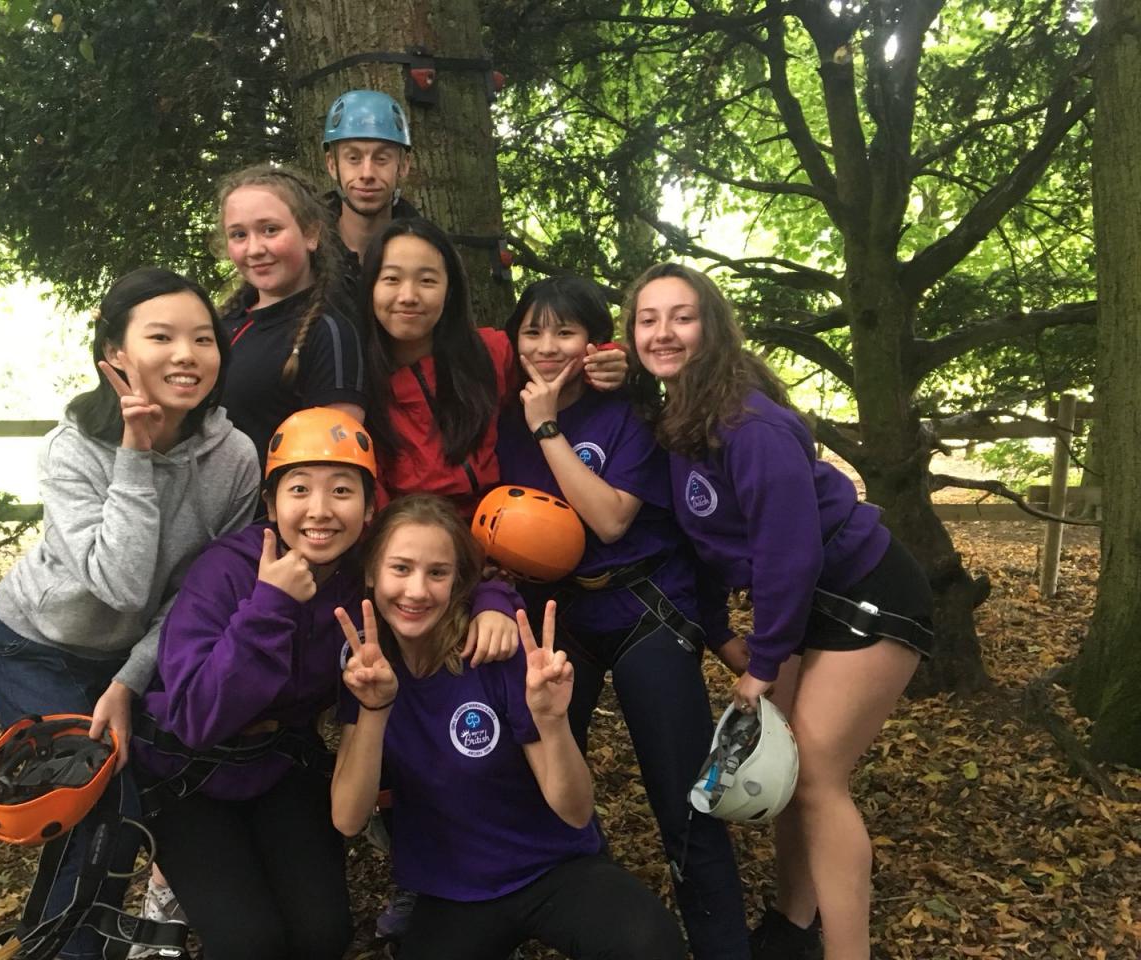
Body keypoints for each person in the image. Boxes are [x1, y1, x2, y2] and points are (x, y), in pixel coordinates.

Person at [623, 263, 934, 960]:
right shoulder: (678, 418)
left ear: (711, 327)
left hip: (867, 593)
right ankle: (794, 929)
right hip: (805, 605)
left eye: (682, 316)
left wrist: (764, 663)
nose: (664, 332)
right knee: (789, 767)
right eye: (648, 319)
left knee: (817, 777)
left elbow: (787, 554)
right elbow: (701, 545)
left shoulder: (748, 424)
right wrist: (720, 633)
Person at [130, 409, 520, 960]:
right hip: (187, 773)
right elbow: (196, 717)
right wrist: (270, 604)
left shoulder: (361, 570)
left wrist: (493, 602)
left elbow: (444, 567)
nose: (320, 510)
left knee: (322, 936)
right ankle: (169, 889)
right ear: (271, 505)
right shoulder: (227, 571)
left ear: (369, 507)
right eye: (298, 489)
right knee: (250, 944)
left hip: (281, 762)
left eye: (341, 490)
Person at [0, 267, 260, 958]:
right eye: (161, 337)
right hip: (33, 644)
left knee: (124, 807)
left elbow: (199, 597)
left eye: (203, 338)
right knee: (94, 799)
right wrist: (135, 453)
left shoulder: (234, 457)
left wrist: (128, 681)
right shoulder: (72, 448)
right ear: (115, 353)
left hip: (129, 652)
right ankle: (66, 946)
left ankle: (70, 937)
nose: (186, 355)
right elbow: (121, 585)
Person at [495, 276, 751, 959]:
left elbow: (610, 520)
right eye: (532, 332)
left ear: (594, 343)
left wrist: (547, 427)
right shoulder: (499, 417)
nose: (547, 347)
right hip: (558, 615)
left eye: (566, 332)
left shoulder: (628, 412)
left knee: (683, 795)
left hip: (645, 604)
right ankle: (598, 926)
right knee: (548, 785)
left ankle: (723, 946)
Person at [331, 495, 688, 960]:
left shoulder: (495, 651)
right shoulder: (365, 664)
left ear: (458, 581)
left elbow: (576, 811)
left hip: (551, 867)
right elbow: (348, 818)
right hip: (453, 890)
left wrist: (553, 723)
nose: (416, 591)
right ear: (371, 573)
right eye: (400, 568)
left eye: (437, 573)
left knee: (648, 942)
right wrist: (375, 709)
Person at [358, 218, 627, 519]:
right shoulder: (355, 380)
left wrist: (612, 357)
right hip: (411, 536)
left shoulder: (490, 353)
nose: (408, 296)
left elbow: (552, 358)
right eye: (391, 279)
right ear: (370, 287)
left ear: (450, 290)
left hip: (505, 527)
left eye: (427, 281)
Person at [214, 163, 366, 466]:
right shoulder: (221, 324)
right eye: (239, 234)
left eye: (270, 230)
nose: (254, 249)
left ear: (311, 233)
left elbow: (335, 464)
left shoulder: (329, 334)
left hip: (269, 497)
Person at [321, 89, 420, 280]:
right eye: (353, 158)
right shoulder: (305, 254)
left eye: (381, 158)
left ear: (403, 165)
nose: (367, 174)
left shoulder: (428, 255)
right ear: (332, 164)